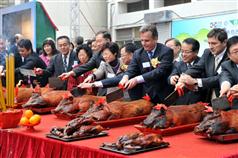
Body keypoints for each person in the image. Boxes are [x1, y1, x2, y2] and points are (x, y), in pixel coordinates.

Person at [119, 24, 174, 104]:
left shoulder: (166, 51)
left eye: (147, 40)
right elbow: (132, 69)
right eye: (141, 40)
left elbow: (160, 71)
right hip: (146, 95)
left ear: (155, 39)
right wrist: (125, 77)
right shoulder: (138, 53)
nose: (143, 43)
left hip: (163, 94)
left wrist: (137, 79)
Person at [176, 28, 228, 102]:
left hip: (226, 97)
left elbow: (221, 77)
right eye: (209, 43)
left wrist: (196, 81)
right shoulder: (207, 52)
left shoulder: (231, 55)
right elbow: (197, 68)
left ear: (224, 42)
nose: (210, 46)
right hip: (209, 98)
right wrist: (183, 78)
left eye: (214, 43)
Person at [79, 42, 143, 100]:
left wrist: (92, 84)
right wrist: (92, 76)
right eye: (103, 54)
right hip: (112, 95)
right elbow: (99, 72)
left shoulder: (125, 62)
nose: (105, 56)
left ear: (114, 53)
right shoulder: (104, 64)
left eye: (106, 54)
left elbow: (119, 78)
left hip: (126, 96)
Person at [59, 31, 111, 95]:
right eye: (96, 41)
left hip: (117, 89)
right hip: (103, 91)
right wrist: (71, 73)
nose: (98, 44)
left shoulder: (118, 56)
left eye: (99, 41)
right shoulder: (97, 55)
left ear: (108, 40)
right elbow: (87, 66)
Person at [168, 38, 205, 104]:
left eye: (187, 52)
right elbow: (171, 75)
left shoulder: (202, 64)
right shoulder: (179, 64)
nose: (183, 54)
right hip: (181, 104)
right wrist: (172, 78)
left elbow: (206, 84)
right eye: (182, 51)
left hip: (198, 103)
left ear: (196, 52)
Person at [219, 36, 238, 109]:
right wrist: (225, 86)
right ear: (229, 55)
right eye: (236, 51)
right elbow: (225, 76)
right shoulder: (227, 65)